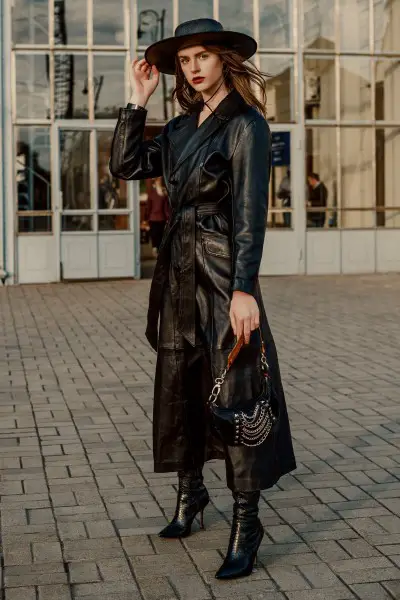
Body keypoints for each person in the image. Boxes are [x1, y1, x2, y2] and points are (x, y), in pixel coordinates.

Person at [110, 18, 296, 580]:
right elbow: (125, 166)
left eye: (202, 56)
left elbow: (249, 219)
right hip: (177, 272)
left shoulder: (247, 126)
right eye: (184, 58)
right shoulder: (178, 128)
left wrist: (244, 290)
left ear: (224, 61)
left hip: (221, 272)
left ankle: (247, 521)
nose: (192, 66)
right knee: (181, 383)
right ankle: (191, 496)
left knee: (237, 388)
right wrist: (136, 101)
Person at [145, 176, 169, 256]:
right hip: (158, 218)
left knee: (156, 234)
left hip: (156, 218)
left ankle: (156, 249)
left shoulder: (154, 194)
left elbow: (148, 207)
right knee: (158, 234)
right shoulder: (161, 194)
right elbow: (149, 207)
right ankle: (157, 249)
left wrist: (147, 219)